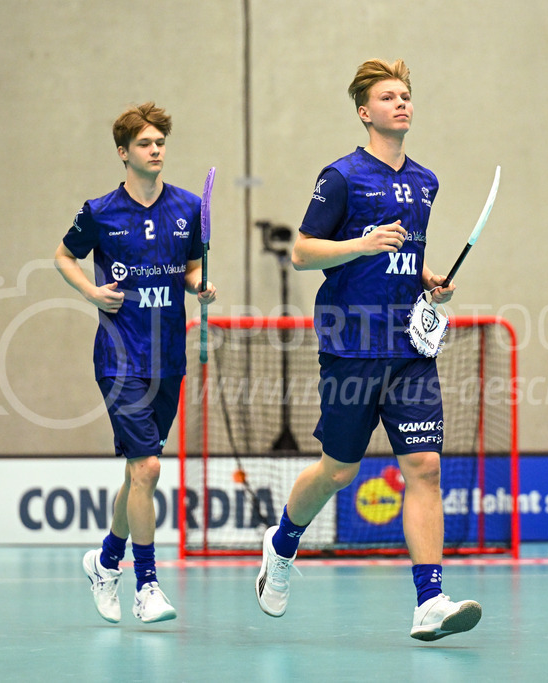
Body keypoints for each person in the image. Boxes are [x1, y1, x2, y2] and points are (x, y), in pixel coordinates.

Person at [255, 59, 482, 641]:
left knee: (424, 467)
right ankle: (281, 543)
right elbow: (303, 253)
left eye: (406, 95)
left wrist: (429, 278)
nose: (402, 103)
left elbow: (401, 255)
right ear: (365, 111)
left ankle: (429, 600)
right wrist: (361, 242)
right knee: (337, 471)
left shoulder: (427, 181)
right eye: (389, 97)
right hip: (350, 347)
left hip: (409, 348)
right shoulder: (341, 177)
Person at [55, 102, 216, 624]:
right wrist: (90, 293)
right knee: (147, 466)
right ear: (124, 153)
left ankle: (104, 561)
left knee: (136, 473)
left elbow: (190, 267)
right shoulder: (100, 211)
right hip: (120, 356)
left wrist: (200, 286)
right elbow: (63, 255)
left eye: (161, 143)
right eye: (146, 144)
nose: (157, 151)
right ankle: (146, 584)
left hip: (168, 357)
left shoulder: (188, 207)